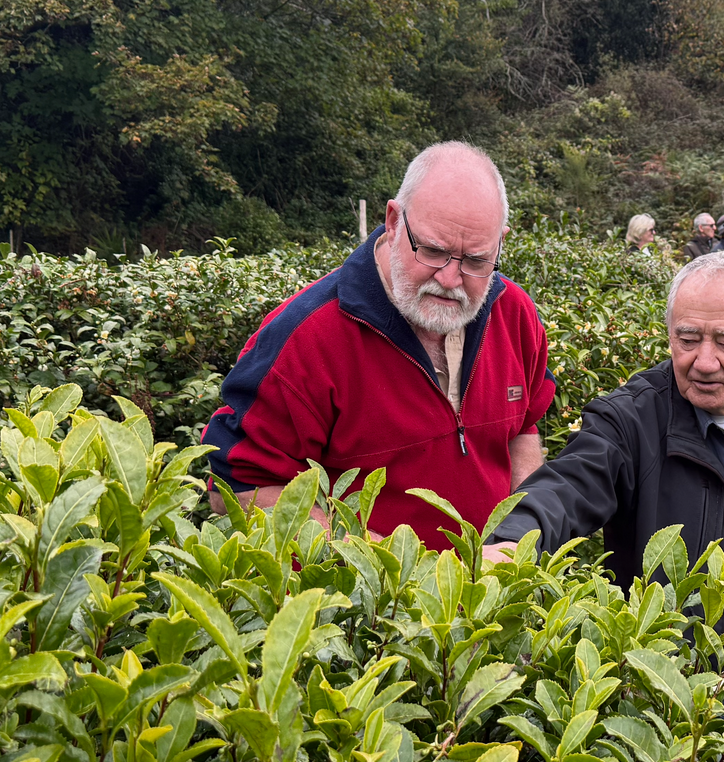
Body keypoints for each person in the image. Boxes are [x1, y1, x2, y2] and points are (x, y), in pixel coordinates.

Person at [486, 251, 724, 661]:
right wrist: (510, 542)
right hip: (700, 676)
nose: (703, 362)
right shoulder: (632, 419)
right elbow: (570, 483)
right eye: (687, 340)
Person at [203, 142, 556, 550]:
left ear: (500, 244)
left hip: (489, 600)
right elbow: (238, 488)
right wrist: (399, 570)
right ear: (393, 222)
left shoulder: (514, 313)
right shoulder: (308, 335)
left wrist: (519, 543)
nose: (450, 279)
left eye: (475, 261)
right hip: (366, 608)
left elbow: (521, 428)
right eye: (434, 251)